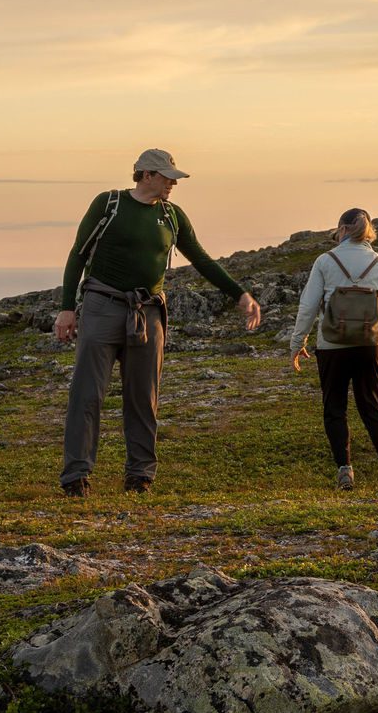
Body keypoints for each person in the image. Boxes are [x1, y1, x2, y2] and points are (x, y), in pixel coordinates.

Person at [54, 149, 262, 496]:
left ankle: (140, 475)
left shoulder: (172, 216)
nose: (172, 183)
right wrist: (66, 308)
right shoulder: (109, 204)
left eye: (173, 178)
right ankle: (76, 476)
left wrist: (239, 294)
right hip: (102, 306)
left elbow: (201, 258)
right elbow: (78, 254)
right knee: (87, 395)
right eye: (167, 177)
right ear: (146, 175)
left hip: (148, 313)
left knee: (143, 397)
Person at [288, 208, 378, 490]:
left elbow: (308, 306)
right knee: (372, 407)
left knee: (335, 408)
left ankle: (345, 471)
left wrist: (298, 342)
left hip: (332, 347)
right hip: (370, 346)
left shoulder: (325, 261)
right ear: (369, 231)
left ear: (341, 229)